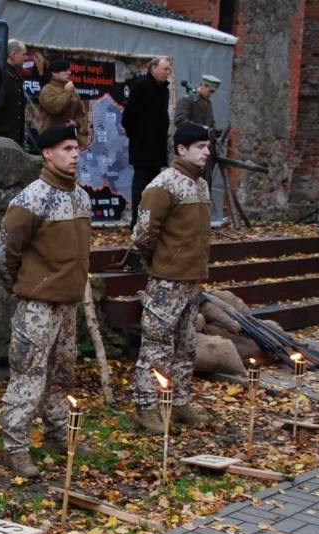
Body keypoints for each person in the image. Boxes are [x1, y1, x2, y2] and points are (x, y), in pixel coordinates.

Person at [0, 125, 93, 478]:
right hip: (37, 307)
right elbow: (3, 254)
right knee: (28, 375)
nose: (74, 154)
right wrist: (26, 288)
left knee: (62, 374)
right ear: (47, 154)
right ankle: (15, 447)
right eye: (66, 148)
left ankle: (58, 432)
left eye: (76, 148)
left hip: (68, 305)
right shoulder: (31, 199)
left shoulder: (81, 197)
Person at [130, 122, 213, 434]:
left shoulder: (201, 185)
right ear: (182, 149)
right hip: (166, 281)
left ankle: (179, 402)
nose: (207, 152)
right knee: (156, 345)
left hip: (192, 279)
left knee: (186, 345)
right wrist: (159, 263)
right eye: (200, 147)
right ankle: (146, 406)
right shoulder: (163, 185)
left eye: (208, 146)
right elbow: (142, 235)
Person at [122, 56, 172, 227]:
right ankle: (137, 222)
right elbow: (128, 116)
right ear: (153, 68)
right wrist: (137, 135)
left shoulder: (164, 90)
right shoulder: (141, 87)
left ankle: (152, 221)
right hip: (142, 147)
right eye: (165, 69)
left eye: (168, 69)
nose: (168, 72)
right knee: (141, 186)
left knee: (155, 188)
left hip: (157, 148)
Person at [38, 59, 90, 149]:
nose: (69, 72)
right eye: (65, 70)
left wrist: (76, 123)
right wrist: (67, 92)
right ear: (54, 73)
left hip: (71, 138)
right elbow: (55, 108)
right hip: (52, 139)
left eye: (69, 70)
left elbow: (81, 114)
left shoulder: (73, 91)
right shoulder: (47, 90)